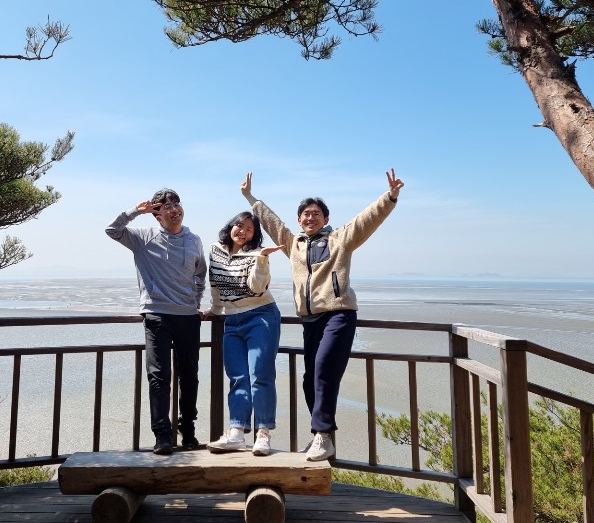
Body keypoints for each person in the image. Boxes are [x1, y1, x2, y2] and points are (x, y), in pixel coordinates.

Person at [241, 169, 404, 461]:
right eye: (305, 214)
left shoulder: (340, 239)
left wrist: (389, 197)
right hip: (310, 321)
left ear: (326, 219)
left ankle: (324, 435)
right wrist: (251, 198)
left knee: (324, 370)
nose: (310, 217)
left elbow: (366, 219)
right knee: (309, 380)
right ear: (299, 220)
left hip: (338, 315)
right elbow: (272, 222)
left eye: (316, 214)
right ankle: (320, 436)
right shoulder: (293, 244)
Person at [106, 188, 207, 456]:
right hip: (157, 315)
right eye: (166, 207)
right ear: (157, 215)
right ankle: (162, 434)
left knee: (190, 376)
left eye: (176, 204)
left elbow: (200, 273)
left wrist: (196, 301)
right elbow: (112, 230)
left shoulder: (194, 239)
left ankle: (188, 428)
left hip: (188, 316)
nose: (174, 209)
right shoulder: (143, 237)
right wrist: (135, 212)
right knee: (159, 377)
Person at [205, 212, 284, 456]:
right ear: (231, 226)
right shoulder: (215, 250)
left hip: (261, 316)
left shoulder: (257, 254)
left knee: (260, 374)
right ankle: (236, 433)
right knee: (238, 376)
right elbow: (215, 283)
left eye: (249, 229)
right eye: (240, 225)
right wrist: (215, 310)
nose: (243, 231)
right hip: (231, 320)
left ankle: (263, 434)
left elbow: (257, 288)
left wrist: (261, 260)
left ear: (254, 235)